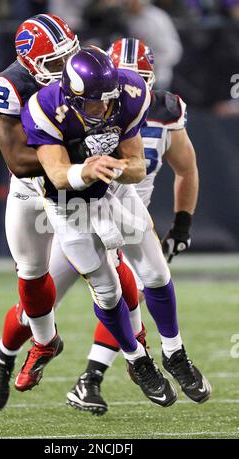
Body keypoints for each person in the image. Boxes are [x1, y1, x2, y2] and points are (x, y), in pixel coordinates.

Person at [0, 15, 147, 412]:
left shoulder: (87, 75)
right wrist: (73, 162)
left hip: (81, 190)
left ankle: (137, 343)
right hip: (34, 189)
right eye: (55, 65)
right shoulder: (11, 86)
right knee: (30, 273)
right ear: (29, 63)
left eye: (68, 58)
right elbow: (19, 162)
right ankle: (31, 347)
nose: (65, 71)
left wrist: (88, 166)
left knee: (110, 260)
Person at [18, 47, 179, 407]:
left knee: (154, 269)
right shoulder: (45, 107)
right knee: (106, 290)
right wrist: (85, 170)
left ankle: (174, 351)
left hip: (113, 192)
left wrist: (118, 168)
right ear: (73, 95)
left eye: (109, 102)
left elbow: (137, 165)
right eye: (93, 104)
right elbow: (58, 175)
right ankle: (138, 360)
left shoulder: (130, 92)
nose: (103, 110)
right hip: (66, 204)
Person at [65, 38, 210, 415]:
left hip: (131, 213)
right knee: (105, 294)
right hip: (79, 210)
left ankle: (98, 377)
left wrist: (182, 222)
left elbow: (186, 168)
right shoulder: (82, 109)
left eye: (140, 79)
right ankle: (92, 374)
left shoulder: (163, 108)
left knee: (146, 284)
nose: (133, 89)